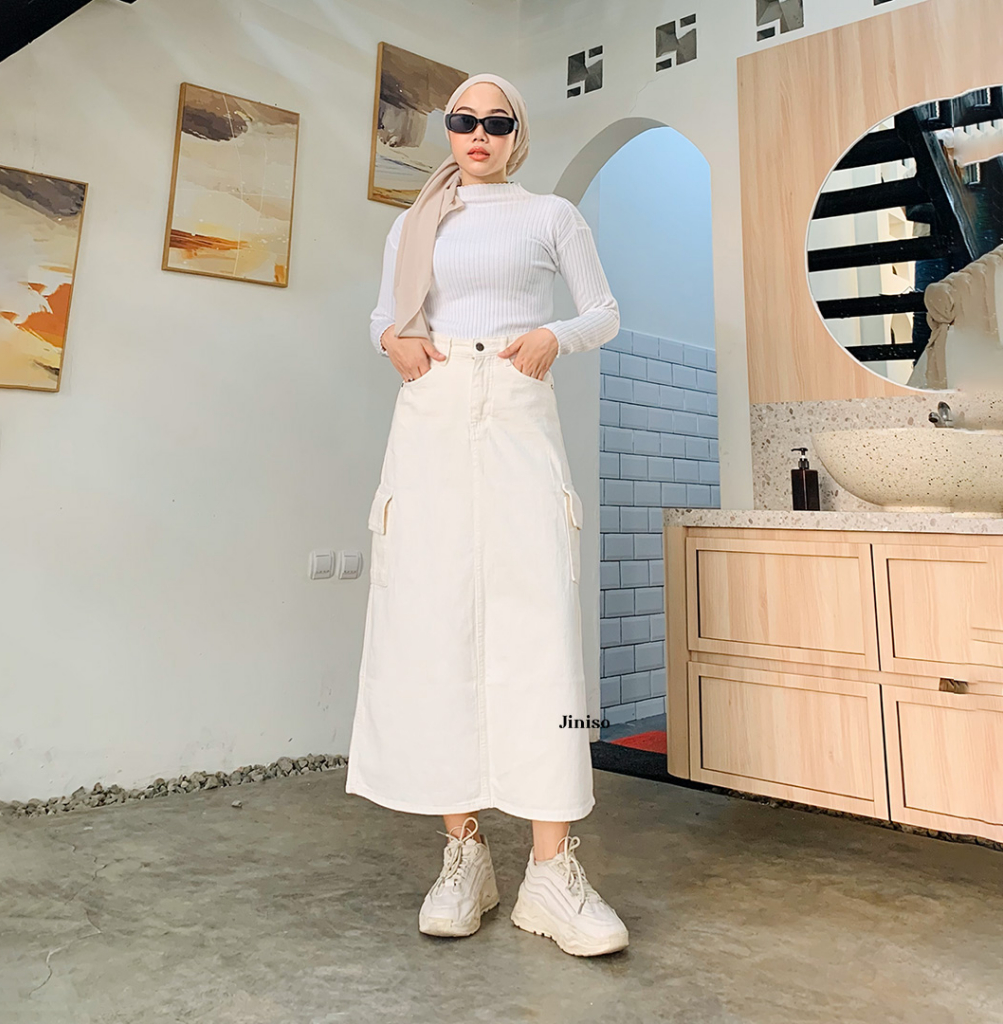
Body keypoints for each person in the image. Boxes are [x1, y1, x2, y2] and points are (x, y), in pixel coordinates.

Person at [345, 72, 627, 957]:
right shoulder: (415, 223)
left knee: (538, 625)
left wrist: (554, 336)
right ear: (447, 129)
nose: (478, 133)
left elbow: (604, 313)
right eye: (462, 119)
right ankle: (464, 855)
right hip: (431, 411)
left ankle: (551, 872)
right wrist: (393, 343)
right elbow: (384, 316)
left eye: (496, 122)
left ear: (517, 135)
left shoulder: (550, 216)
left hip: (516, 400)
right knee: (434, 622)